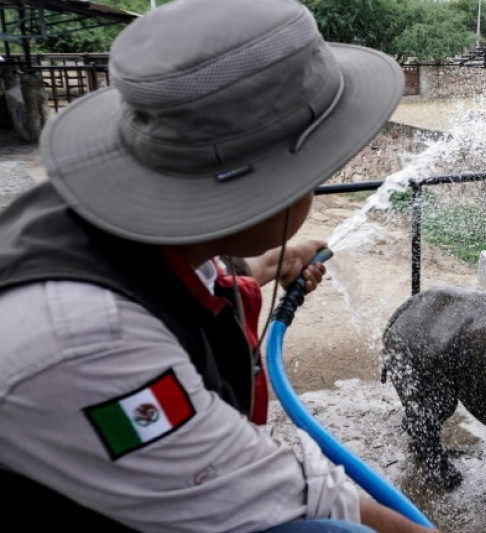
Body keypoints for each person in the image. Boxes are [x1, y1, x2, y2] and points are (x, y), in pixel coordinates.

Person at [0, 0, 436, 531]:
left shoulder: (104, 230)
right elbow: (258, 492)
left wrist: (269, 264)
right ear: (271, 190)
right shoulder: (89, 338)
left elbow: (173, 289)